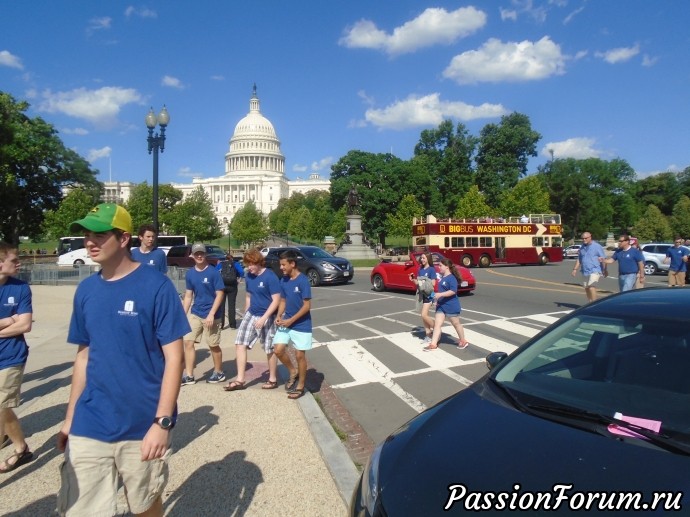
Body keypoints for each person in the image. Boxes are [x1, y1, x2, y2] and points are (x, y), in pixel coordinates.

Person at [56, 203, 189, 517]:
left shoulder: (156, 288)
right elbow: (84, 356)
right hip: (91, 421)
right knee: (80, 509)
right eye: (87, 234)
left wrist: (162, 422)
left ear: (124, 238)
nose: (90, 242)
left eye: (100, 235)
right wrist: (70, 417)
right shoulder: (86, 290)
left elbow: (175, 358)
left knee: (143, 504)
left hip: (141, 423)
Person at [224, 248, 280, 392]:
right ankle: (240, 380)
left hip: (268, 315)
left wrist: (264, 318)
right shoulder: (249, 276)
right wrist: (246, 311)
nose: (249, 268)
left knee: (269, 348)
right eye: (247, 265)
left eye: (251, 265)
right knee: (240, 343)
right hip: (252, 313)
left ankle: (272, 378)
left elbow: (276, 300)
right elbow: (249, 296)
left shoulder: (270, 276)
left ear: (259, 263)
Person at [0, 242, 33, 474]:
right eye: (14, 260)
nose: (18, 262)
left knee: (0, 406)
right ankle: (21, 448)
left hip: (12, 356)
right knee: (4, 408)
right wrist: (8, 321)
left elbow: (25, 324)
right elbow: (16, 322)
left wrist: (16, 322)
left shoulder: (21, 288)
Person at [181, 244, 225, 385]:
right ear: (192, 256)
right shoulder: (190, 274)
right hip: (196, 312)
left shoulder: (213, 273)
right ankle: (189, 375)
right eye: (196, 254)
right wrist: (182, 314)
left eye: (201, 253)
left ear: (205, 255)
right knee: (188, 341)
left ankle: (218, 372)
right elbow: (188, 296)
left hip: (211, 314)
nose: (199, 256)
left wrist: (211, 314)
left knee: (213, 345)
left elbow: (220, 294)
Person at [273, 250, 312, 399]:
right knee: (278, 350)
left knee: (299, 355)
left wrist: (291, 320)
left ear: (292, 264)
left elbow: (306, 306)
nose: (281, 268)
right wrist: (278, 315)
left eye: (283, 265)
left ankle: (301, 385)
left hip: (302, 324)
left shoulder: (303, 281)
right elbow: (283, 301)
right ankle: (292, 371)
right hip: (286, 321)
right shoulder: (283, 280)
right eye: (280, 265)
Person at [422, 258, 470, 351]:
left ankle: (463, 340)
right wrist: (435, 299)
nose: (439, 267)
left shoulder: (451, 278)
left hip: (451, 305)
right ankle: (433, 344)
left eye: (440, 265)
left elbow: (453, 291)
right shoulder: (442, 278)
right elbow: (440, 292)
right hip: (441, 306)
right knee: (437, 325)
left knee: (456, 324)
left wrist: (440, 294)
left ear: (447, 267)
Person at [408, 252, 436, 343]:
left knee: (424, 314)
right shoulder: (420, 269)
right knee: (424, 316)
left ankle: (436, 328)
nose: (422, 260)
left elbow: (433, 283)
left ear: (428, 259)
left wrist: (423, 283)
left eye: (424, 258)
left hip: (429, 295)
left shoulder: (431, 269)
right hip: (421, 294)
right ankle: (428, 335)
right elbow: (418, 283)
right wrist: (413, 280)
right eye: (421, 258)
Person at [571, 232, 607, 302]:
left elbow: (603, 258)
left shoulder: (597, 246)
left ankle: (594, 304)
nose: (584, 240)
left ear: (590, 237)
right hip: (585, 270)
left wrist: (605, 269)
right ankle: (590, 303)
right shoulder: (582, 247)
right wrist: (575, 269)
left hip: (595, 269)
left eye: (586, 238)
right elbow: (579, 259)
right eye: (583, 238)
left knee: (591, 287)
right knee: (587, 288)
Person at [216, 252, 244, 329]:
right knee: (232, 305)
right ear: (232, 258)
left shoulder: (221, 264)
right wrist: (239, 280)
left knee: (221, 305)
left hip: (222, 286)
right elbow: (242, 272)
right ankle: (232, 325)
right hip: (232, 285)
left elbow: (215, 273)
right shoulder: (235, 264)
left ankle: (221, 324)